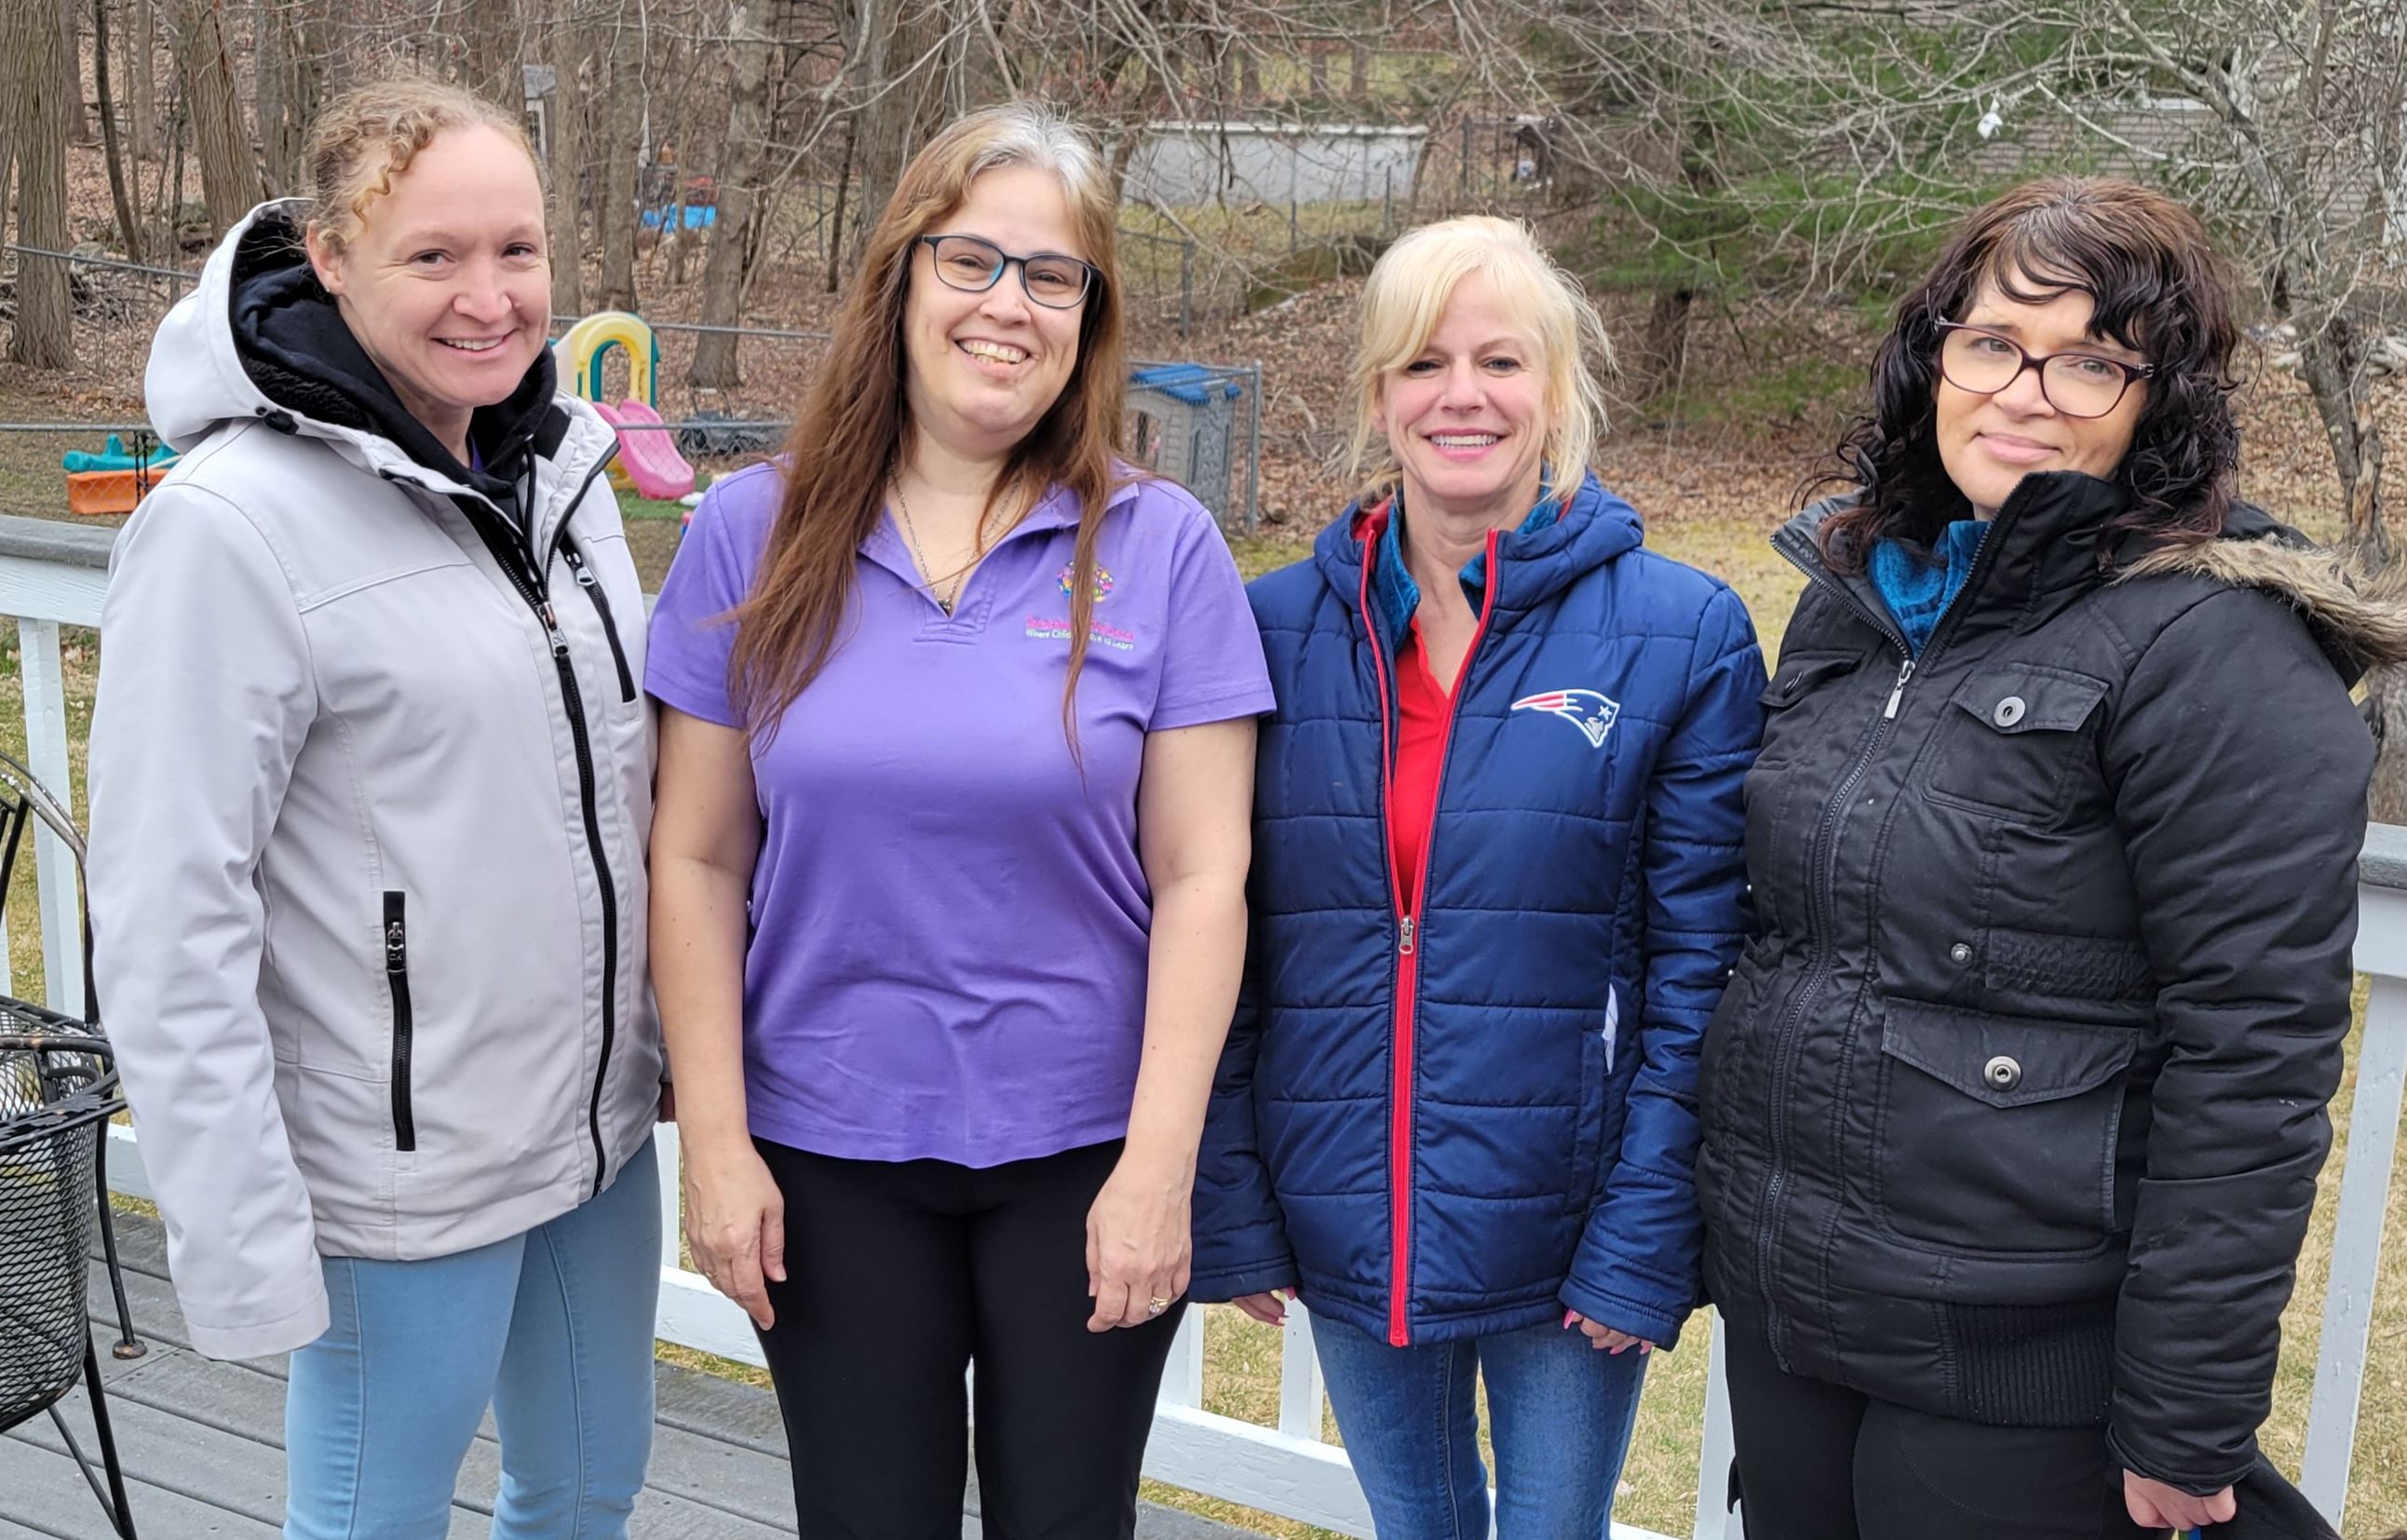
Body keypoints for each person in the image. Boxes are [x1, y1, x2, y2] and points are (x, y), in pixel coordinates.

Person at [1698, 177, 2407, 1539]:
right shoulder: (1860, 601)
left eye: (2092, 360)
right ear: (1934, 361)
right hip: (1798, 1320)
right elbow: (1788, 949)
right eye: (1994, 343)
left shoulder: (2215, 650)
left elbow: (2252, 1059)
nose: (2027, 389)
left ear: (2160, 400)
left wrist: (2186, 1411)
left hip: (2016, 1367)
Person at [646, 102, 1270, 1539]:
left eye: (1052, 276)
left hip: (1084, 1155)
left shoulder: (1160, 547)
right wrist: (721, 1147)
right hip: (827, 1150)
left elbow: (1203, 873)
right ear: (902, 279)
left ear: (1090, 316)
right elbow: (694, 854)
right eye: (972, 260)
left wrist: (1160, 1167)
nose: (1009, 304)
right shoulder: (755, 531)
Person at [87, 78, 663, 1537]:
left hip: (592, 1134)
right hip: (395, 1176)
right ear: (330, 259)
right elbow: (167, 911)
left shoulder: (566, 466)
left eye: (517, 250)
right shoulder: (229, 524)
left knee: (584, 1493)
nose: (489, 297)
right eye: (433, 256)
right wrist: (242, 1240)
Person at [1188, 215, 1767, 1539]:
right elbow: (1223, 930)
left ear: (1556, 389)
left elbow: (1702, 974)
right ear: (1378, 396)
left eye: (1501, 360)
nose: (1462, 394)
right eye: (1422, 362)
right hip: (1341, 1198)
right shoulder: (1271, 631)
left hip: (1568, 1223)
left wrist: (1642, 1242)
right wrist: (1233, 1199)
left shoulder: (1682, 635)